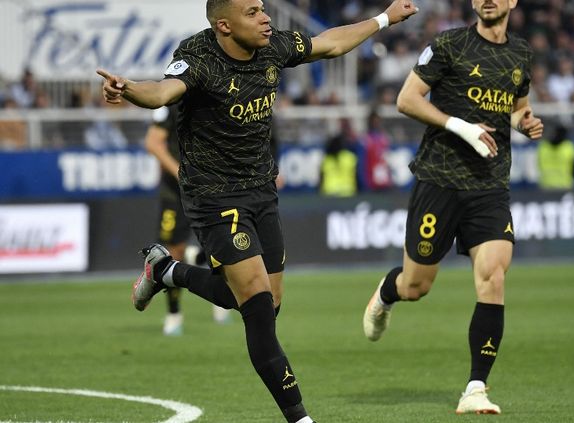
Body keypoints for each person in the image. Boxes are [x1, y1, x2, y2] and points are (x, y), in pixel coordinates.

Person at [96, 1, 418, 422]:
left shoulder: (271, 47)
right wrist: (127, 89)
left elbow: (329, 45)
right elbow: (161, 91)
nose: (266, 18)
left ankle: (166, 272)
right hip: (213, 196)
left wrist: (383, 19)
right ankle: (300, 418)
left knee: (263, 301)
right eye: (253, 12)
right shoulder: (198, 57)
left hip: (260, 190)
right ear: (225, 25)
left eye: (264, 8)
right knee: (260, 311)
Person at [362, 0, 543, 415]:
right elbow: (407, 100)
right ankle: (388, 293)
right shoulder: (449, 45)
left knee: (493, 276)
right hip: (439, 182)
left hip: (489, 185)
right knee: (416, 287)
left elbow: (515, 107)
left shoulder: (521, 54)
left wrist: (526, 122)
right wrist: (459, 126)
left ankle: (476, 387)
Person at [144, 104, 231, 336]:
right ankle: (173, 314)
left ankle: (221, 300)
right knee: (173, 251)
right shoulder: (170, 102)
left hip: (210, 188)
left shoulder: (216, 95)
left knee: (221, 247)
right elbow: (153, 143)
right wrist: (180, 172)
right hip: (176, 193)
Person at [319, 127, 358, 197]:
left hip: (330, 192)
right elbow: (356, 175)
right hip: (348, 192)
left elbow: (321, 178)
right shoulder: (350, 157)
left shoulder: (327, 159)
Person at [537, 124, 574, 191]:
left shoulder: (543, 147)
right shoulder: (569, 147)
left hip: (546, 184)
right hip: (565, 185)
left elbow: (538, 164)